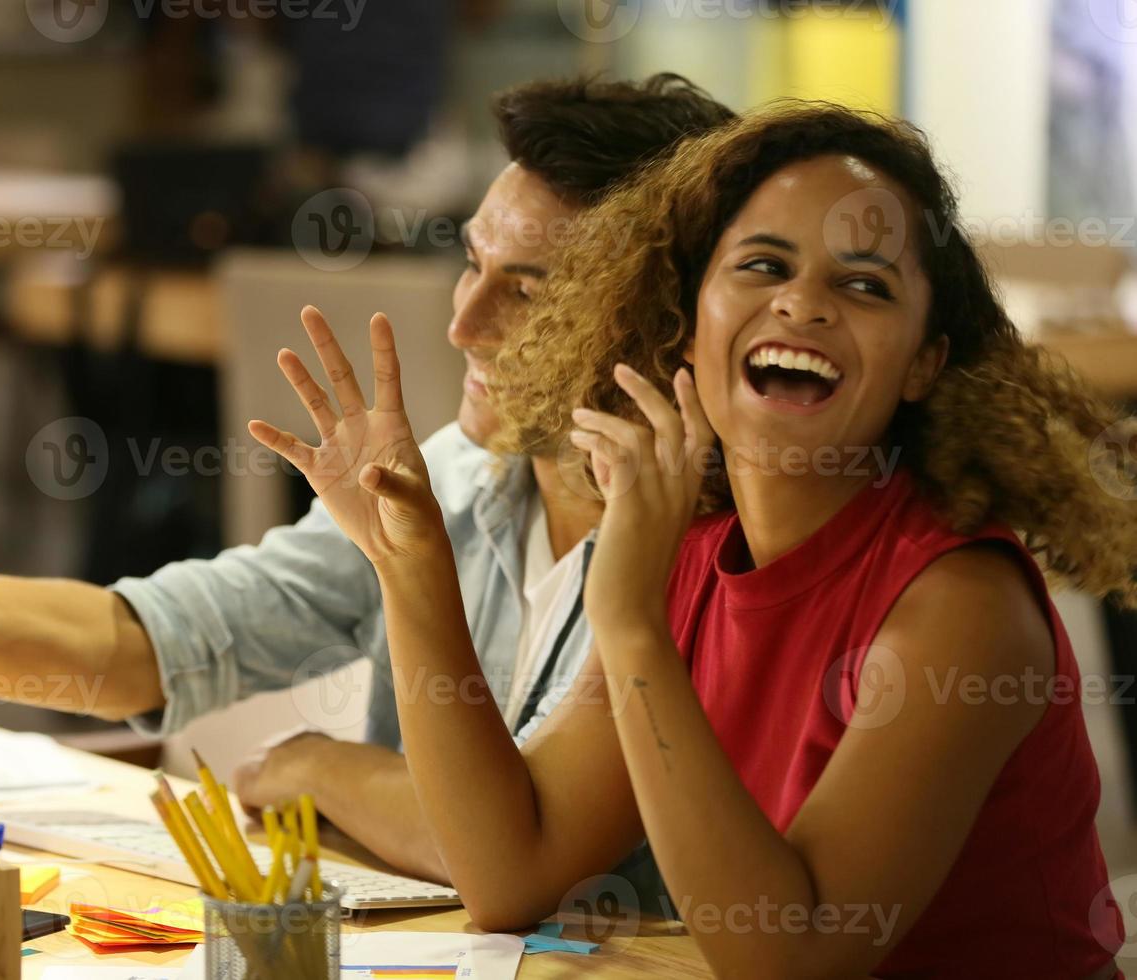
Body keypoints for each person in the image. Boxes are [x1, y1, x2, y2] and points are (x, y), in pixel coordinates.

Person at [249, 103, 1136, 977]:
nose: (803, 303)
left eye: (864, 285)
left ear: (923, 361)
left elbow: (790, 956)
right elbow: (509, 871)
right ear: (688, 311)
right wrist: (410, 564)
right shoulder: (697, 552)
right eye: (762, 264)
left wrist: (630, 620)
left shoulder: (960, 606)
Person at [0, 75, 735, 884]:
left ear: (654, 321)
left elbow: (515, 853)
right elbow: (147, 645)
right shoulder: (470, 477)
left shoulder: (707, 548)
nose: (464, 325)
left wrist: (323, 767)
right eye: (472, 264)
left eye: (529, 296)